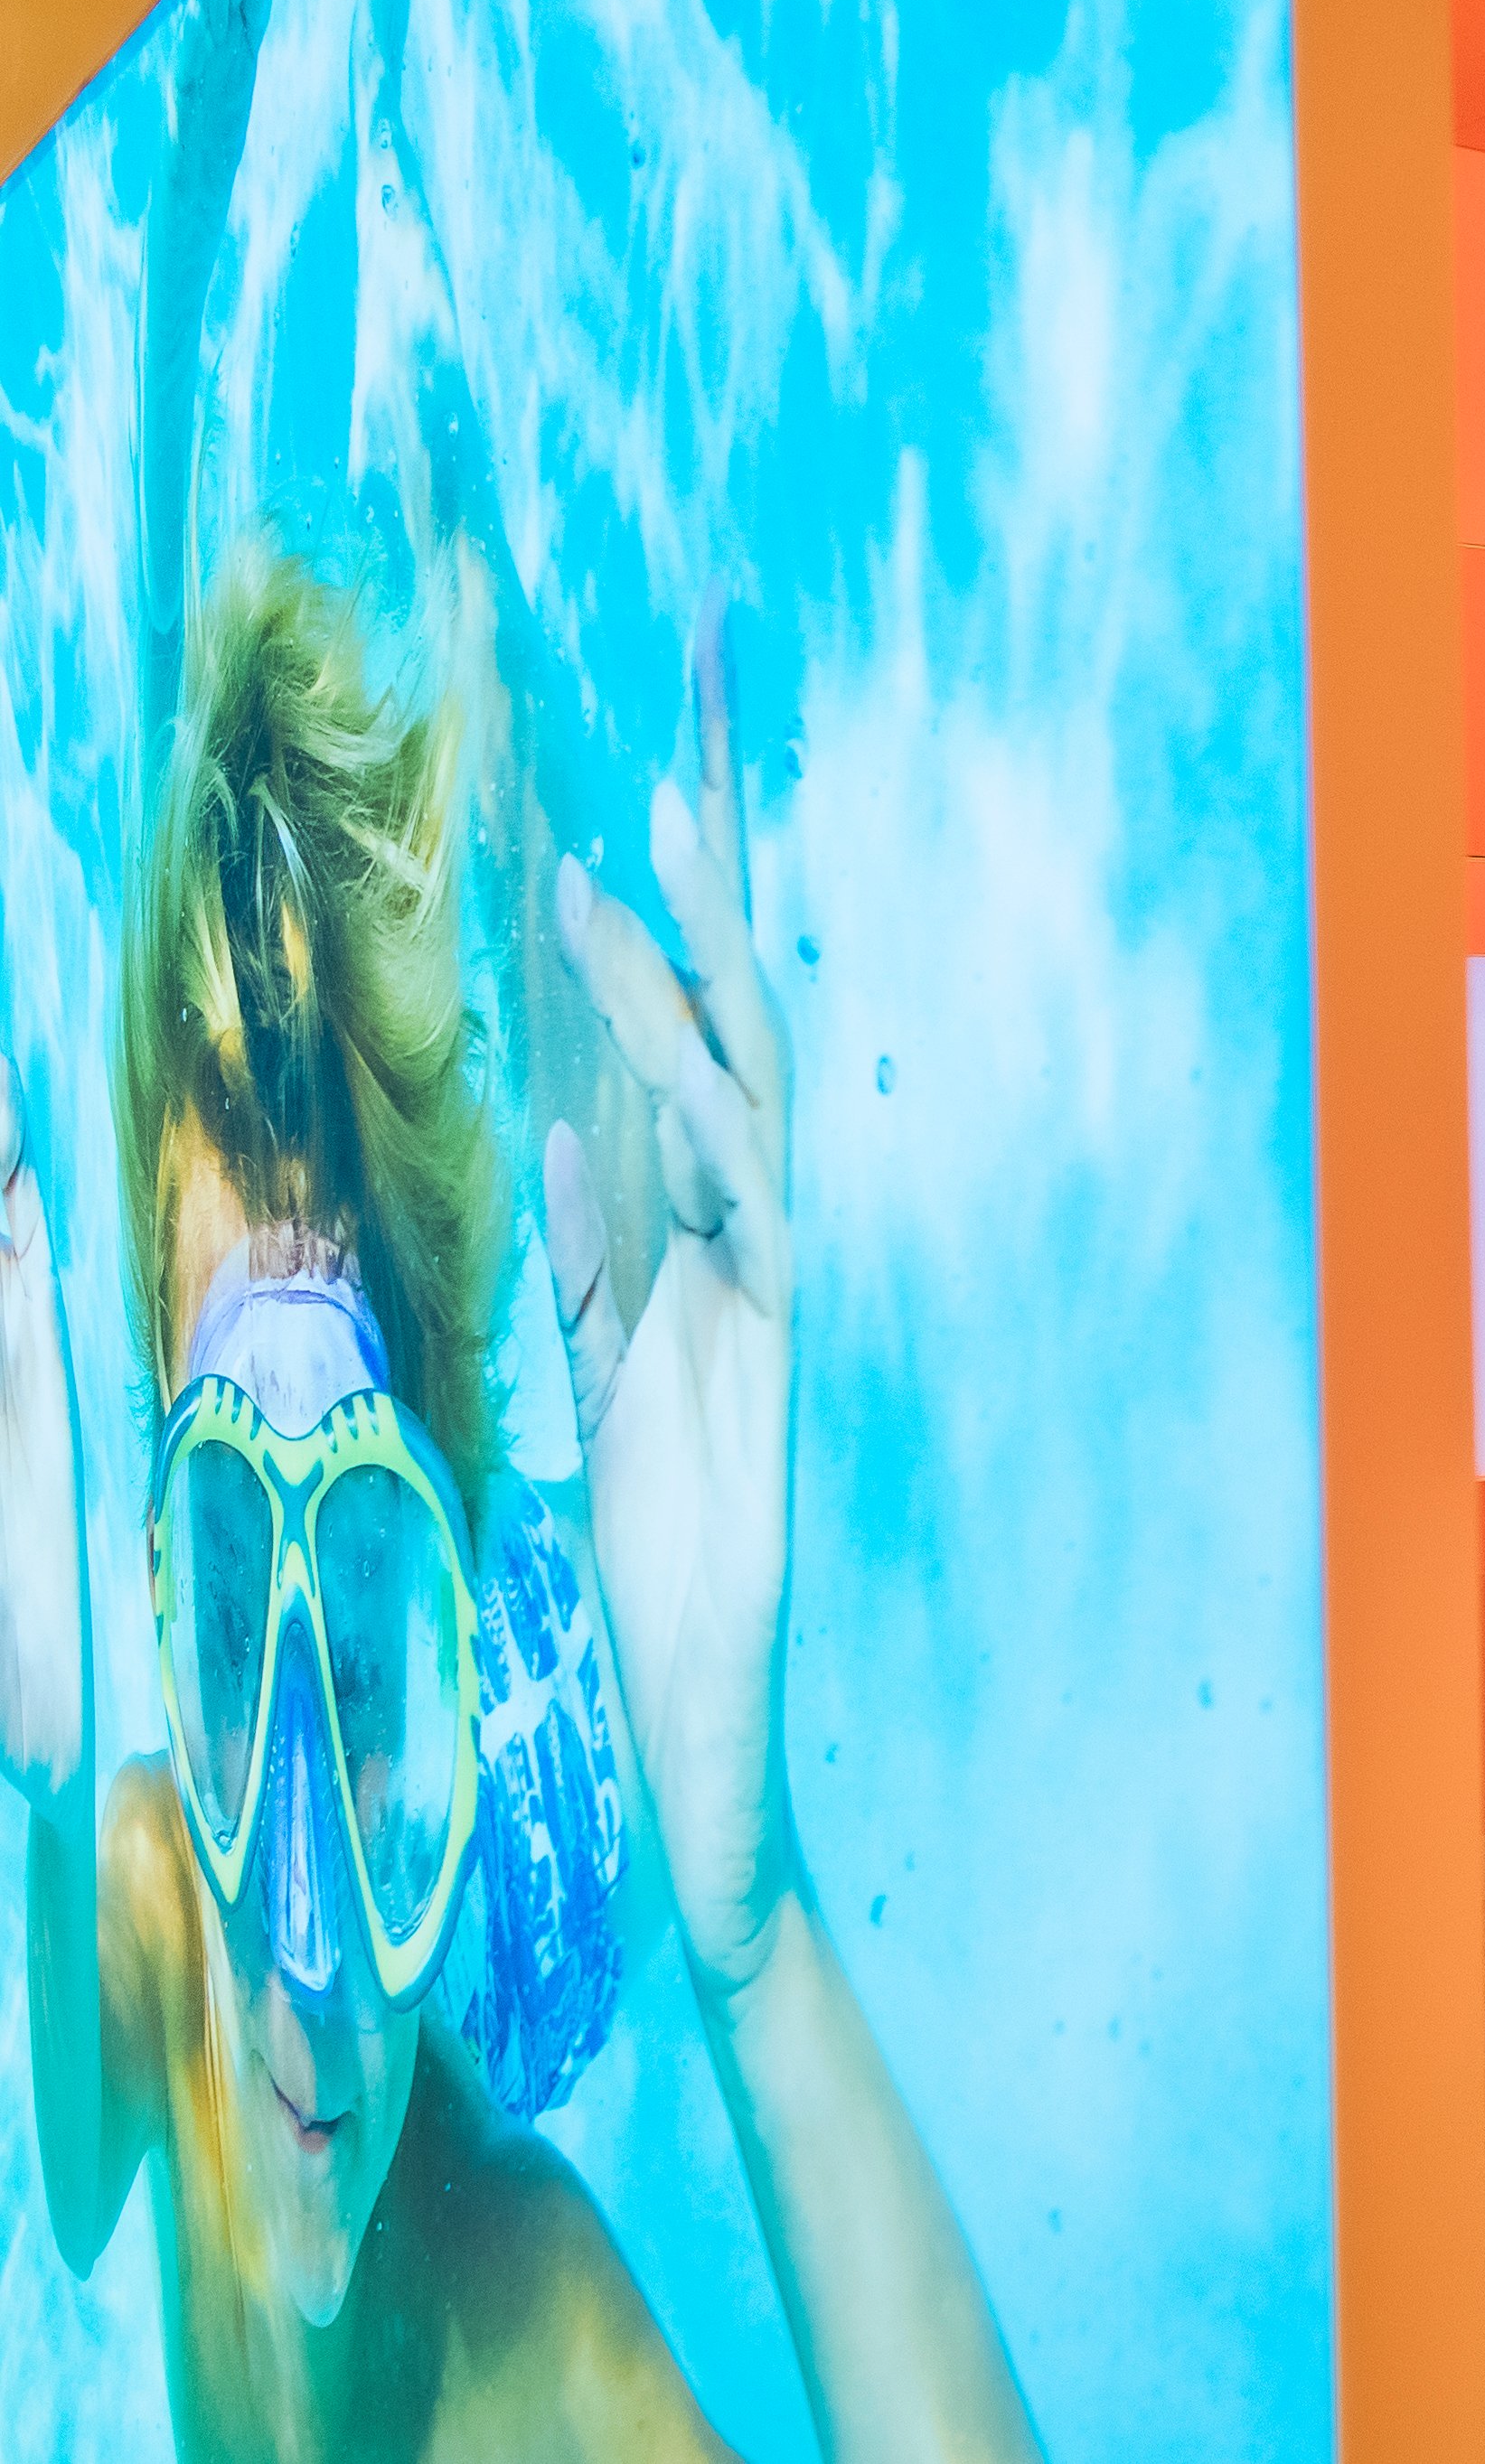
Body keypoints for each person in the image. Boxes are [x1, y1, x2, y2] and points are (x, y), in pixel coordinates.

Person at [0, 555, 1042, 2456]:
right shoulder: (162, 1868)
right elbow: (75, 2188)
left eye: (377, 1655)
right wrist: (53, 1801)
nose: (299, 1926)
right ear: (166, 1589)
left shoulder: (531, 2313)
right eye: (228, 1615)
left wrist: (752, 1939)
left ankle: (479, 580)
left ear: (445, 1602)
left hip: (530, 1896)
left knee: (581, 1226)